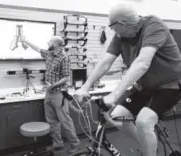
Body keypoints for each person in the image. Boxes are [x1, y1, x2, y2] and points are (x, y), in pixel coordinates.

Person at [74, 3, 181, 156]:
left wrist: (115, 95)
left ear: (122, 24)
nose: (113, 32)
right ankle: (148, 147)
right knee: (118, 115)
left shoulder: (154, 26)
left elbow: (142, 63)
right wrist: (86, 86)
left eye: (113, 27)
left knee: (144, 122)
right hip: (144, 86)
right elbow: (106, 61)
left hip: (169, 85)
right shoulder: (122, 35)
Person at [20, 36, 80, 154]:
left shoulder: (64, 58)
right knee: (52, 121)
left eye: (50, 41)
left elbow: (67, 78)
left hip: (59, 94)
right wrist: (25, 40)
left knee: (65, 121)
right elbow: (37, 49)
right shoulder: (49, 54)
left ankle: (75, 144)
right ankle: (57, 143)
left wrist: (52, 85)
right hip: (49, 93)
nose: (48, 42)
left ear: (56, 44)